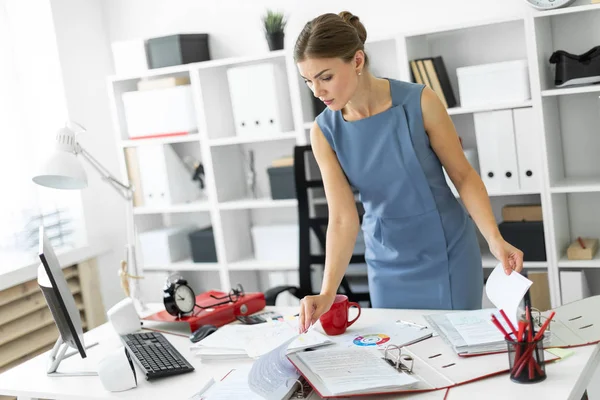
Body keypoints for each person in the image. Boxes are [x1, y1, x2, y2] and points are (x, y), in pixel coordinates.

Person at [294, 11, 525, 333]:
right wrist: (327, 291)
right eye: (308, 81)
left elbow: (463, 176)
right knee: (402, 355)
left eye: (325, 77)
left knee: (460, 353)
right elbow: (343, 217)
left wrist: (494, 239)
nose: (317, 91)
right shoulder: (324, 131)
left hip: (447, 251)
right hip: (386, 261)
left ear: (357, 61)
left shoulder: (420, 101)